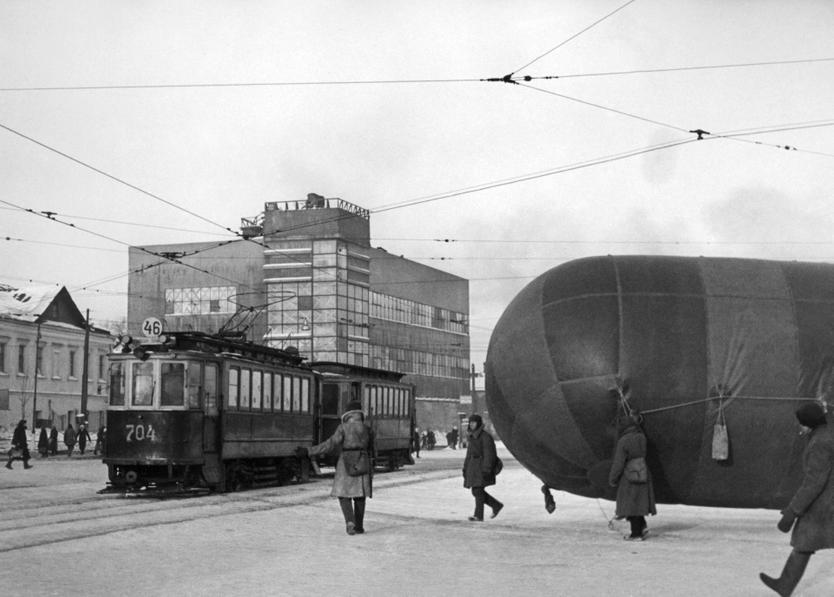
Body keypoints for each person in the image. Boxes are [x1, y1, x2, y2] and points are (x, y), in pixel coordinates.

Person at [759, 402, 834, 596]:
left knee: (804, 540)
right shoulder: (824, 435)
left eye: (801, 422)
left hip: (823, 504)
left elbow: (813, 483)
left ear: (809, 422)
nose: (799, 426)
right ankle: (785, 584)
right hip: (826, 501)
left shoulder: (820, 442)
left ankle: (785, 585)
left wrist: (792, 511)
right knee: (804, 542)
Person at [304, 400, 374, 535]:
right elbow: (373, 449)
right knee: (360, 495)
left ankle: (350, 522)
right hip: (363, 461)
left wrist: (309, 451)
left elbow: (330, 444)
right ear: (360, 414)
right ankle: (359, 526)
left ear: (348, 414)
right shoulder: (368, 429)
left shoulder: (343, 428)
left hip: (345, 463)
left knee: (343, 494)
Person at [608, 412, 656, 540]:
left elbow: (618, 462)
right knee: (639, 503)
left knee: (630, 505)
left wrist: (613, 478)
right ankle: (642, 527)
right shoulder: (642, 437)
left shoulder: (624, 441)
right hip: (643, 471)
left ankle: (636, 534)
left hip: (629, 475)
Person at [462, 414, 503, 521]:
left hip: (481, 468)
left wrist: (487, 469)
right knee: (476, 491)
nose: (471, 424)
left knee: (478, 491)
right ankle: (496, 505)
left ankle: (478, 515)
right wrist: (465, 468)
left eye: (474, 422)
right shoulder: (472, 436)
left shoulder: (485, 437)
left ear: (479, 423)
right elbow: (469, 455)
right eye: (470, 423)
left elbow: (490, 455)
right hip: (473, 469)